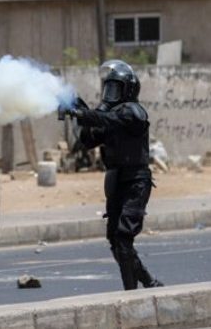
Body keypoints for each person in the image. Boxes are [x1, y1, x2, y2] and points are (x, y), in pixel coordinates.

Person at [62, 60, 163, 290]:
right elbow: (87, 140)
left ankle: (132, 291)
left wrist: (84, 113)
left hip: (135, 182)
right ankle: (148, 282)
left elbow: (111, 120)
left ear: (128, 89)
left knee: (124, 237)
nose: (110, 94)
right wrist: (77, 109)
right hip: (116, 182)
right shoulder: (109, 116)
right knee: (115, 240)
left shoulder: (133, 112)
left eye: (115, 88)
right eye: (108, 88)